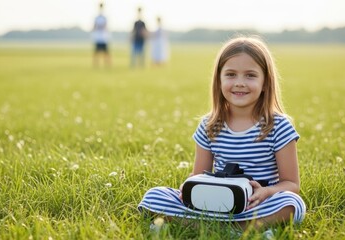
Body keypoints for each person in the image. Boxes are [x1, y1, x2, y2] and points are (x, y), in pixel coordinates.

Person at [138, 36, 306, 231]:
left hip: (256, 204)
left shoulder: (278, 126)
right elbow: (199, 175)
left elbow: (291, 183)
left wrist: (267, 192)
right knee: (153, 196)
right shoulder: (209, 125)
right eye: (231, 74)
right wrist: (188, 185)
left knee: (291, 202)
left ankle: (219, 227)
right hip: (212, 203)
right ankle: (233, 228)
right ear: (219, 80)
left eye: (250, 75)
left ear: (265, 82)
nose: (240, 83)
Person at [92, 2, 110, 67]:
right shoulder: (97, 18)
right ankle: (95, 65)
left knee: (106, 52)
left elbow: (106, 27)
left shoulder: (104, 18)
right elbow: (94, 27)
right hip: (98, 37)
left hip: (103, 37)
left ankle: (107, 65)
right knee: (96, 52)